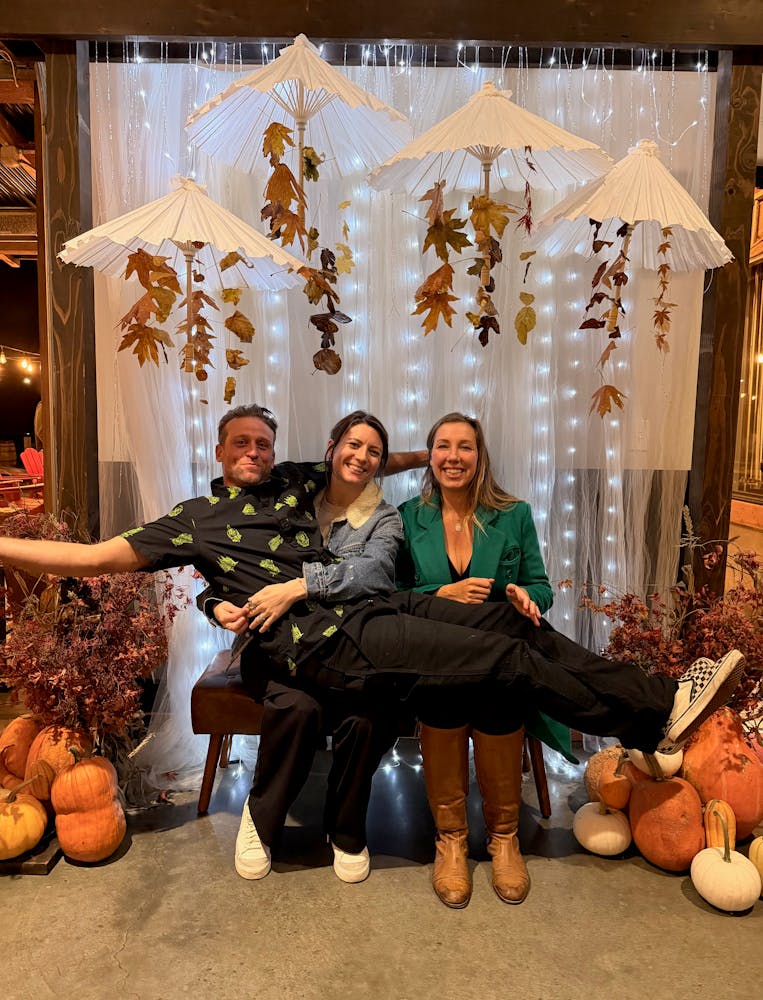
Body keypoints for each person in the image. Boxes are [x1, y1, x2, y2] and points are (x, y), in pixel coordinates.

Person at [0, 404, 745, 894]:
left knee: (511, 624)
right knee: (504, 664)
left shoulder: (293, 482)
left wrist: (440, 452)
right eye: (243, 444)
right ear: (220, 452)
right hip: (326, 643)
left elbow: (365, 464)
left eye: (264, 441)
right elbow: (95, 558)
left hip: (368, 608)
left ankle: (660, 699)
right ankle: (645, 723)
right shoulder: (193, 519)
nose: (257, 452)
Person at [199, 409, 407, 884]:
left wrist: (299, 586)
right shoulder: (287, 494)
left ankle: (347, 828)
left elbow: (374, 573)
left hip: (348, 647)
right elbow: (224, 564)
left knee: (369, 714)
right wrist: (213, 604)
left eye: (374, 451)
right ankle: (261, 820)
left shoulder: (386, 518)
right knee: (297, 706)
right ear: (330, 449)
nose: (362, 456)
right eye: (353, 445)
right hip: (274, 649)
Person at [397, 412, 572, 908]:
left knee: (500, 702)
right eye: (444, 446)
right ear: (430, 456)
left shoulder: (513, 512)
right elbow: (395, 593)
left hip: (498, 650)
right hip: (437, 650)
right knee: (442, 703)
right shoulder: (409, 516)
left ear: (480, 455)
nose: (455, 457)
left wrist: (524, 596)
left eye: (465, 447)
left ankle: (503, 837)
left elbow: (541, 584)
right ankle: (450, 839)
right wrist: (442, 593)